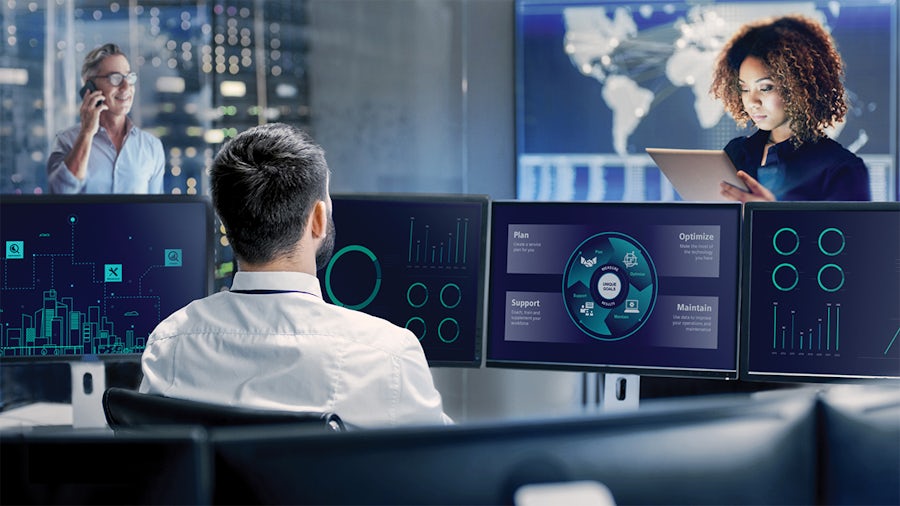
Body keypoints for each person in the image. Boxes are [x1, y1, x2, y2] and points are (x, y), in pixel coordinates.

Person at [138, 122, 452, 428]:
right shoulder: (388, 355)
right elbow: (444, 456)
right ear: (318, 219)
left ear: (226, 224)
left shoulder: (169, 345)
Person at [710, 14, 870, 202]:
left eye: (765, 88)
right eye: (744, 89)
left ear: (799, 87)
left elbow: (850, 224)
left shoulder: (841, 168)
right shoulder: (735, 153)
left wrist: (769, 213)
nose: (752, 101)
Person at [46, 43, 164, 194]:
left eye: (129, 77)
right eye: (115, 78)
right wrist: (87, 133)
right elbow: (61, 193)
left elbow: (155, 205)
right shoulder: (66, 141)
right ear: (90, 86)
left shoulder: (151, 146)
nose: (126, 87)